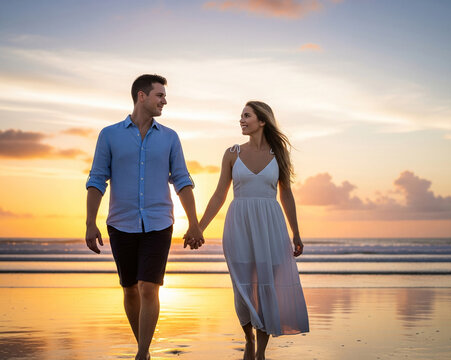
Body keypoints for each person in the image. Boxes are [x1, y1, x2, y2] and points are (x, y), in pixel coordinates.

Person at [85, 74, 204, 360]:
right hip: (120, 223)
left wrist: (194, 223)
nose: (164, 100)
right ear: (142, 96)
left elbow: (182, 181)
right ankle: (145, 349)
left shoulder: (170, 137)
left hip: (159, 222)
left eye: (164, 96)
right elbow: (97, 180)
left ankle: (141, 353)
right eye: (159, 95)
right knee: (130, 291)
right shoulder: (109, 134)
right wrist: (90, 222)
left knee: (149, 287)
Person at [189, 101, 309, 360]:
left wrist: (296, 232)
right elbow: (220, 193)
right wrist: (199, 227)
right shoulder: (232, 153)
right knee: (242, 286)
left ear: (262, 121)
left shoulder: (279, 155)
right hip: (239, 224)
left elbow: (286, 195)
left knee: (266, 285)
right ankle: (248, 338)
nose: (241, 120)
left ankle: (261, 352)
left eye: (247, 116)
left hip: (271, 226)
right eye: (241, 116)